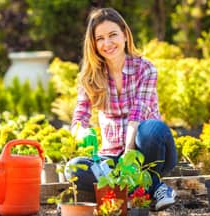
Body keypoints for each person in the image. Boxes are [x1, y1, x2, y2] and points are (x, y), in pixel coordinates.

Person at [65, 7, 177, 211]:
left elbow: (136, 115)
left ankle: (136, 186)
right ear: (93, 43)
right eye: (99, 38)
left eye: (112, 35)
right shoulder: (90, 77)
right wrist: (82, 133)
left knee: (150, 130)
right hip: (112, 159)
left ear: (125, 34)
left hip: (148, 152)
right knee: (74, 168)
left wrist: (129, 153)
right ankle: (151, 189)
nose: (107, 43)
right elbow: (78, 119)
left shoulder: (145, 68)